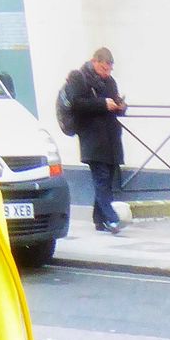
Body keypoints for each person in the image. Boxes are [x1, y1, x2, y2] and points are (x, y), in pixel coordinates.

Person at [63, 47, 126, 235]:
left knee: (108, 180)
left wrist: (120, 106)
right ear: (95, 62)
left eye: (109, 70)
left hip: (111, 138)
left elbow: (115, 103)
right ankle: (112, 219)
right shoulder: (79, 77)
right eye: (104, 69)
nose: (107, 74)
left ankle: (99, 220)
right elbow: (76, 103)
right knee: (101, 179)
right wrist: (102, 103)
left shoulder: (110, 81)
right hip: (92, 138)